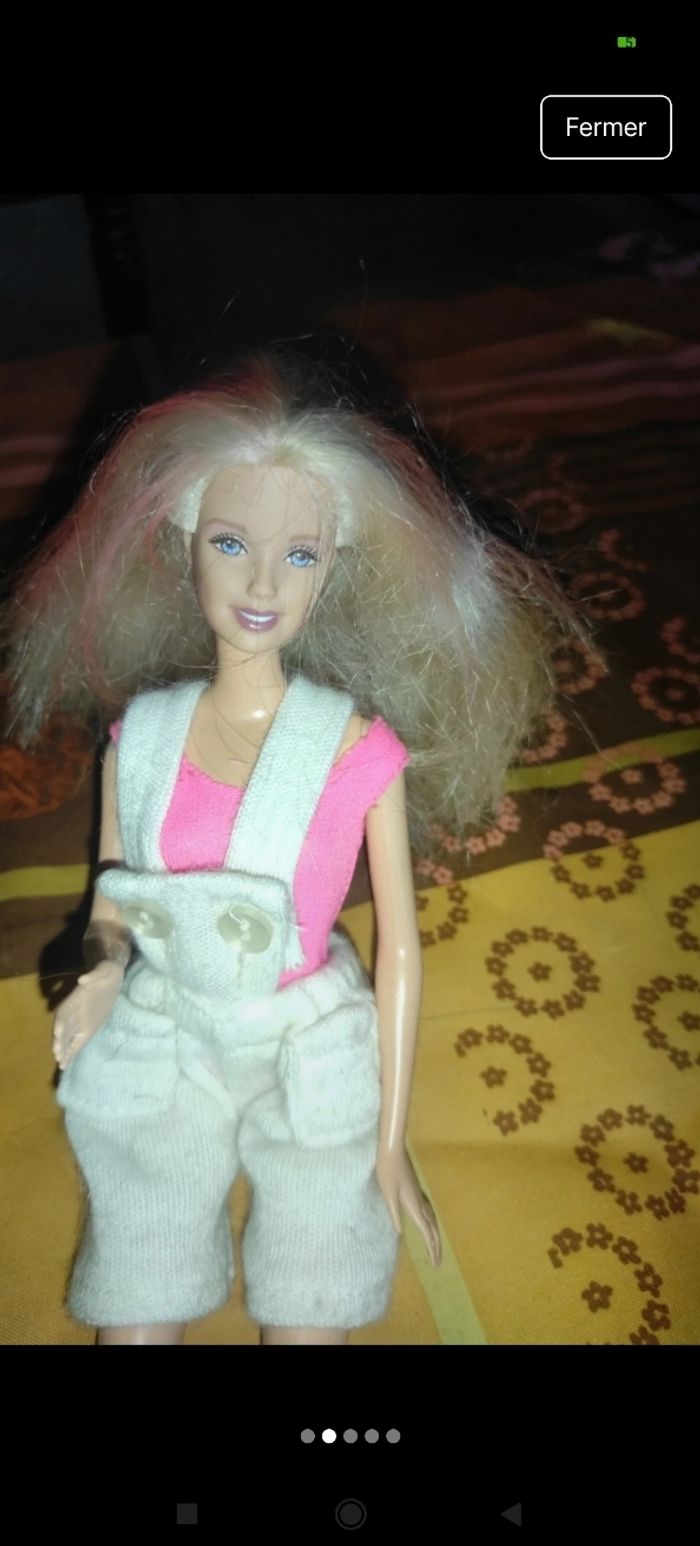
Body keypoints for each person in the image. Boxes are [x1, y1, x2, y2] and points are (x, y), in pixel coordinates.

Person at [3, 353, 596, 1344]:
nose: (263, 582)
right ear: (184, 544)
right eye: (231, 542)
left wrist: (389, 1140)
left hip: (306, 1036)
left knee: (313, 1309)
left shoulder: (356, 750)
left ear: (336, 568)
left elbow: (400, 949)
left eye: (302, 556)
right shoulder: (141, 738)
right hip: (168, 1023)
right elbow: (112, 897)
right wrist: (100, 973)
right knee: (134, 1303)